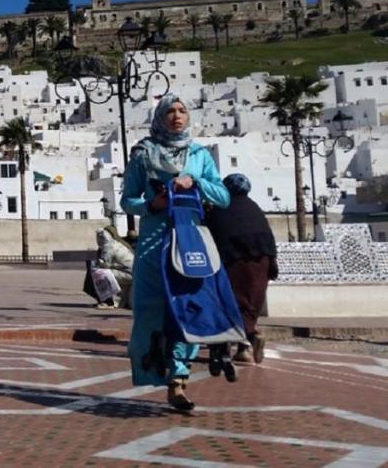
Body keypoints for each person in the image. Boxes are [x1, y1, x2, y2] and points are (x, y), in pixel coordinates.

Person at [122, 94, 230, 413]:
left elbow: (222, 196)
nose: (177, 116)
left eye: (182, 110)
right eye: (170, 110)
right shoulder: (144, 153)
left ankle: (179, 380)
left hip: (189, 237)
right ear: (159, 116)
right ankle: (153, 365)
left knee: (188, 306)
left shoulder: (199, 154)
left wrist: (195, 181)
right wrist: (150, 205)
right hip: (154, 240)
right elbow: (127, 200)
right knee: (150, 308)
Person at [204, 173, 278, 366]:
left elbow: (208, 236)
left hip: (233, 261)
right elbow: (269, 238)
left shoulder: (220, 209)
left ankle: (240, 342)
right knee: (249, 306)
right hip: (262, 262)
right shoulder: (255, 208)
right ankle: (245, 347)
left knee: (226, 303)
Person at [92, 227, 134, 309]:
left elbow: (105, 264)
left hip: (128, 273)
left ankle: (109, 302)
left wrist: (96, 264)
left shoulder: (108, 246)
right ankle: (120, 302)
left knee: (102, 274)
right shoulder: (117, 243)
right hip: (132, 272)